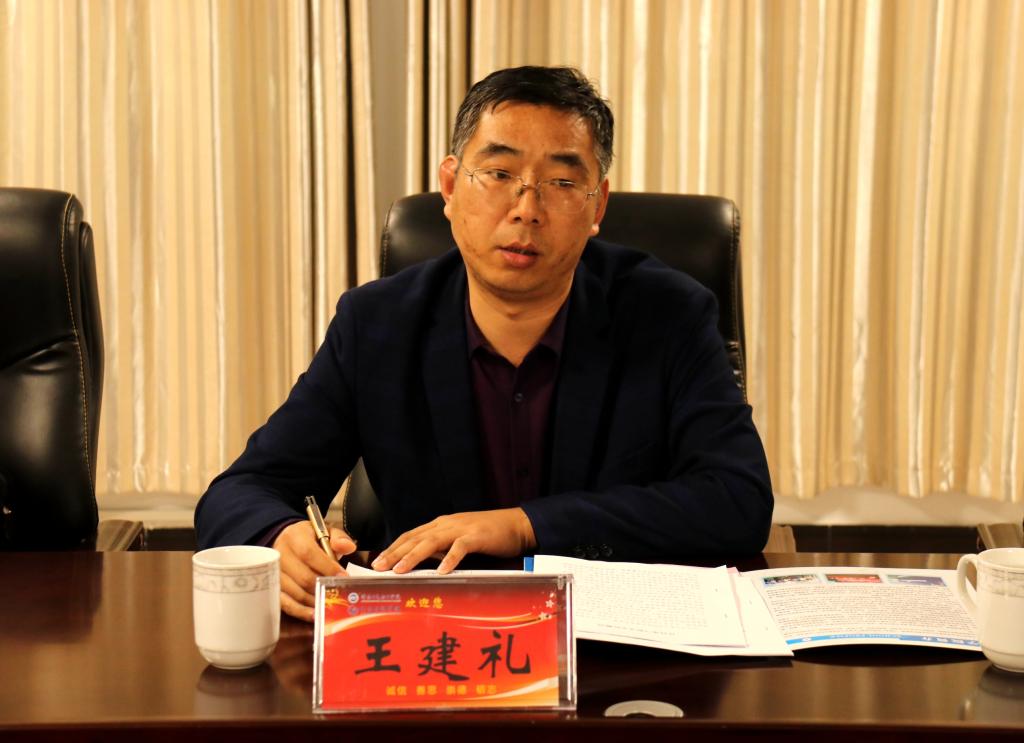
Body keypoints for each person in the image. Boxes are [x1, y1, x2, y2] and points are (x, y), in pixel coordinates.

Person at [195, 66, 773, 621]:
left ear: (596, 206)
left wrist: (524, 525)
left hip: (612, 648)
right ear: (450, 187)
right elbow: (241, 491)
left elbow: (738, 500)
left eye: (561, 182)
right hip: (434, 640)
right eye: (499, 174)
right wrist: (280, 535)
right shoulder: (377, 324)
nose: (526, 210)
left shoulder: (668, 314)